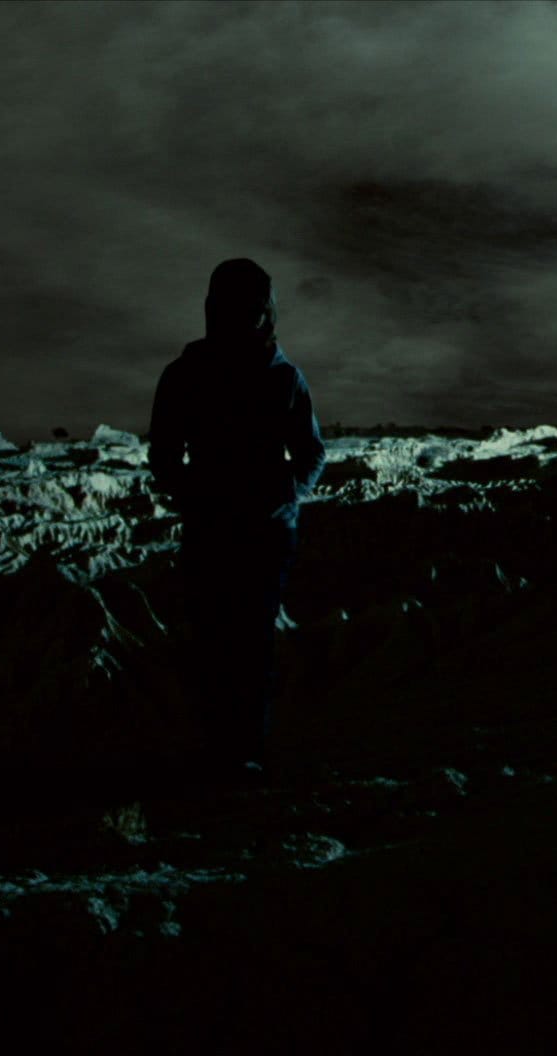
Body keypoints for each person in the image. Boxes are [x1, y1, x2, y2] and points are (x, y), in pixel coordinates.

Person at [149, 258, 325, 777]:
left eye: (256, 307)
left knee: (249, 642)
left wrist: (283, 496)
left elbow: (311, 452)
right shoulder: (187, 375)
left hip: (264, 533)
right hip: (214, 530)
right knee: (215, 640)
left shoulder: (282, 376)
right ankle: (220, 749)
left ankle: (243, 752)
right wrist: (199, 497)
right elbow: (163, 455)